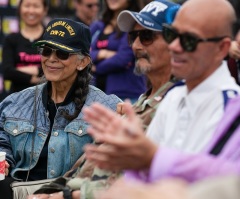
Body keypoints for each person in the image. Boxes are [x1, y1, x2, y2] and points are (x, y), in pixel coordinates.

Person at [27, 1, 180, 198]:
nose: (136, 45)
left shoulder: (177, 103)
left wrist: (65, 196)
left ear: (176, 42)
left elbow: (148, 182)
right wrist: (47, 193)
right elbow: (83, 167)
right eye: (133, 36)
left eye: (147, 36)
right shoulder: (141, 103)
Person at [83, 0, 240, 181]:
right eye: (171, 35)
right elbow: (137, 179)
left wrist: (154, 158)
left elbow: (217, 184)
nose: (173, 46)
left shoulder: (231, 107)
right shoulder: (173, 96)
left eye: (188, 40)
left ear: (222, 48)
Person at [0, 18, 121, 198]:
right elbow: (3, 143)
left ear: (83, 62)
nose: (51, 59)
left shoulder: (107, 108)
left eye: (62, 54)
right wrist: (4, 160)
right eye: (46, 51)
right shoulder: (15, 103)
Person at [90, 0, 146, 103]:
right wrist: (103, 54)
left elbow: (122, 59)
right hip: (96, 96)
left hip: (126, 95)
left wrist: (96, 67)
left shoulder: (134, 25)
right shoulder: (97, 26)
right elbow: (83, 54)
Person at [2, 0, 48, 94]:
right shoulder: (11, 39)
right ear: (20, 9)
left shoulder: (50, 39)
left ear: (45, 10)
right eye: (27, 6)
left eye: (36, 6)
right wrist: (34, 78)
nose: (31, 11)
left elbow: (55, 68)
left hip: (46, 97)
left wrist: (18, 71)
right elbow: (7, 72)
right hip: (16, 100)